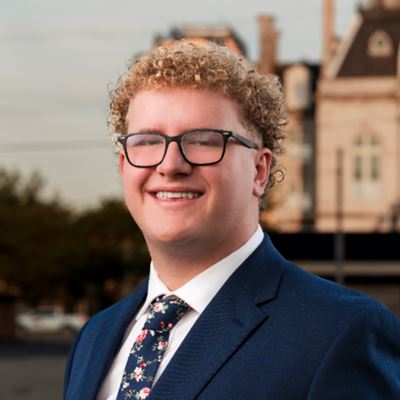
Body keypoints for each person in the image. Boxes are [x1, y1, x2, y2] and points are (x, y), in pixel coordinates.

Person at [64, 41, 400, 400]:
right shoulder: (95, 336)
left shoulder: (342, 331)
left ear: (259, 170)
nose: (170, 164)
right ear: (124, 166)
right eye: (148, 141)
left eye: (203, 140)